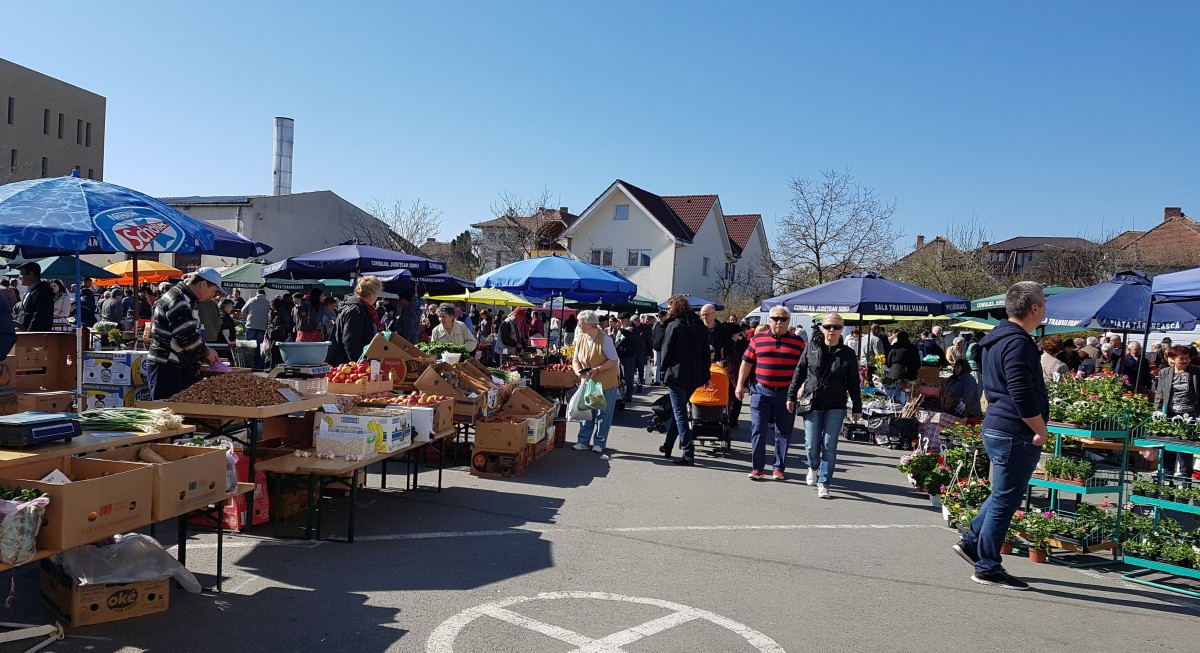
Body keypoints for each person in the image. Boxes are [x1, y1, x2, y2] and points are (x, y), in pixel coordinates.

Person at [954, 281, 1049, 591]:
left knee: (1002, 495)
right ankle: (988, 566)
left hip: (998, 424)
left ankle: (972, 542)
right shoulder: (1018, 342)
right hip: (1014, 429)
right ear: (1034, 308)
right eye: (1044, 303)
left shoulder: (996, 339)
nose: (1046, 308)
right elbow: (1021, 394)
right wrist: (1040, 429)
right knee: (1005, 499)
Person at [787, 313, 861, 497]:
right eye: (828, 326)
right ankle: (813, 466)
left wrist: (857, 408)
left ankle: (824, 482)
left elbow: (853, 382)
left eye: (836, 327)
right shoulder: (811, 348)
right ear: (822, 328)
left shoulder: (847, 353)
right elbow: (799, 372)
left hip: (836, 404)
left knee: (829, 445)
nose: (832, 330)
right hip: (812, 402)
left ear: (841, 330)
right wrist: (790, 395)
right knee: (811, 445)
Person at [735, 306, 806, 480]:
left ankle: (778, 468)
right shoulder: (757, 339)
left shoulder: (798, 343)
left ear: (789, 321)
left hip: (786, 394)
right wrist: (739, 385)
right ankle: (758, 468)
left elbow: (806, 368)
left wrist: (803, 386)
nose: (779, 322)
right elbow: (746, 363)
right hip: (761, 391)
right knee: (758, 429)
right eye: (775, 318)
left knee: (783, 432)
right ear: (769, 320)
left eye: (783, 319)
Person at [146, 268, 223, 399]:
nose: (214, 296)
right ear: (203, 284)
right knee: (167, 412)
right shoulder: (178, 299)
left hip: (173, 364)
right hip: (167, 365)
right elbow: (186, 337)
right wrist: (206, 351)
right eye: (213, 290)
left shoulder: (186, 299)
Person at [657, 296, 710, 465]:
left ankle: (688, 453)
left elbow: (666, 352)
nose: (668, 310)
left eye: (669, 307)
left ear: (675, 308)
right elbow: (705, 353)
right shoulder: (700, 326)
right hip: (695, 375)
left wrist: (662, 372)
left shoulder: (674, 326)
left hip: (676, 374)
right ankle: (668, 445)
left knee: (679, 413)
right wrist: (705, 374)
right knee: (677, 410)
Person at [571, 310, 621, 455]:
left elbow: (613, 360)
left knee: (603, 413)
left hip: (605, 382)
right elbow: (575, 360)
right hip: (589, 381)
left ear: (591, 325)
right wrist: (578, 372)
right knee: (587, 411)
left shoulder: (604, 339)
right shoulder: (581, 337)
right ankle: (583, 441)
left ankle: (599, 443)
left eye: (581, 322)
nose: (579, 324)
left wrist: (597, 369)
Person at [1154, 345, 1199, 478]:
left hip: (1190, 417)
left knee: (1185, 451)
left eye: (1187, 358)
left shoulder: (1196, 372)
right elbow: (1160, 394)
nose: (1185, 361)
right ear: (1172, 359)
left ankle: (1185, 482)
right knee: (1168, 449)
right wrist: (1157, 413)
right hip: (1170, 416)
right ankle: (1168, 481)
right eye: (1182, 358)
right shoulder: (1165, 372)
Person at [328, 276, 382, 365]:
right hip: (345, 365)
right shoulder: (356, 310)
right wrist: (358, 364)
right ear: (371, 296)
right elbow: (350, 341)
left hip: (347, 362)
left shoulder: (361, 308)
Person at [16, 262, 54, 332]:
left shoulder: (43, 291)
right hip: (25, 334)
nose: (19, 277)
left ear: (31, 274)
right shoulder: (30, 290)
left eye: (21, 274)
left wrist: (30, 333)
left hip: (36, 336)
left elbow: (40, 316)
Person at [945, 359, 983, 425]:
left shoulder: (969, 379)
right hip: (954, 408)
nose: (956, 369)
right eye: (955, 367)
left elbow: (969, 394)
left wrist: (962, 404)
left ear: (963, 368)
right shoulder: (951, 378)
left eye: (959, 367)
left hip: (970, 410)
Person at [242, 289, 270, 369]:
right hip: (262, 327)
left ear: (256, 293)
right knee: (259, 346)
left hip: (251, 325)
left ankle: (247, 363)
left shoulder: (251, 300)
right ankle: (257, 364)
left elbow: (243, 311)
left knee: (249, 346)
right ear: (264, 295)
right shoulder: (268, 302)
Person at [615, 313, 638, 404]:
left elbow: (630, 336)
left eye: (622, 320)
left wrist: (621, 330)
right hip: (620, 355)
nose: (620, 322)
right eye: (619, 320)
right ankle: (621, 394)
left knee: (628, 377)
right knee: (621, 377)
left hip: (628, 356)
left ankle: (628, 395)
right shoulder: (623, 329)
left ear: (627, 320)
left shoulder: (632, 328)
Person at [651, 310, 669, 383]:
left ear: (665, 316)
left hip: (664, 348)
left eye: (661, 316)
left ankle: (664, 379)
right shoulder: (656, 325)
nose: (660, 318)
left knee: (663, 364)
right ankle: (657, 380)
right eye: (659, 317)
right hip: (656, 348)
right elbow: (653, 335)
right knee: (656, 364)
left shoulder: (668, 325)